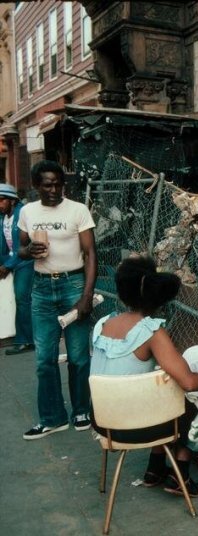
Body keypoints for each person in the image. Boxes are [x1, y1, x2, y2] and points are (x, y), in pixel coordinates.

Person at [91, 255, 198, 497]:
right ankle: (180, 475)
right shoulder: (151, 331)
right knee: (191, 406)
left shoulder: (102, 323)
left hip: (102, 422)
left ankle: (154, 468)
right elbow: (189, 382)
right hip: (133, 427)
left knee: (160, 394)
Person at [18, 161, 98, 439]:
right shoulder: (27, 212)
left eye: (57, 184)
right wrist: (29, 250)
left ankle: (81, 410)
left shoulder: (78, 210)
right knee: (44, 359)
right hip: (41, 288)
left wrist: (86, 295)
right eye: (47, 185)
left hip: (72, 285)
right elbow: (21, 249)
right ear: (36, 186)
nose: (53, 190)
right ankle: (53, 418)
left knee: (78, 356)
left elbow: (90, 253)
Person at [0, 183, 34, 355]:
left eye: (1, 200)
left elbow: (24, 247)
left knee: (23, 300)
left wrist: (7, 266)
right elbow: (4, 246)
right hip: (13, 262)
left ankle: (25, 341)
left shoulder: (22, 213)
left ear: (12, 200)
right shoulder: (3, 217)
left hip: (25, 263)